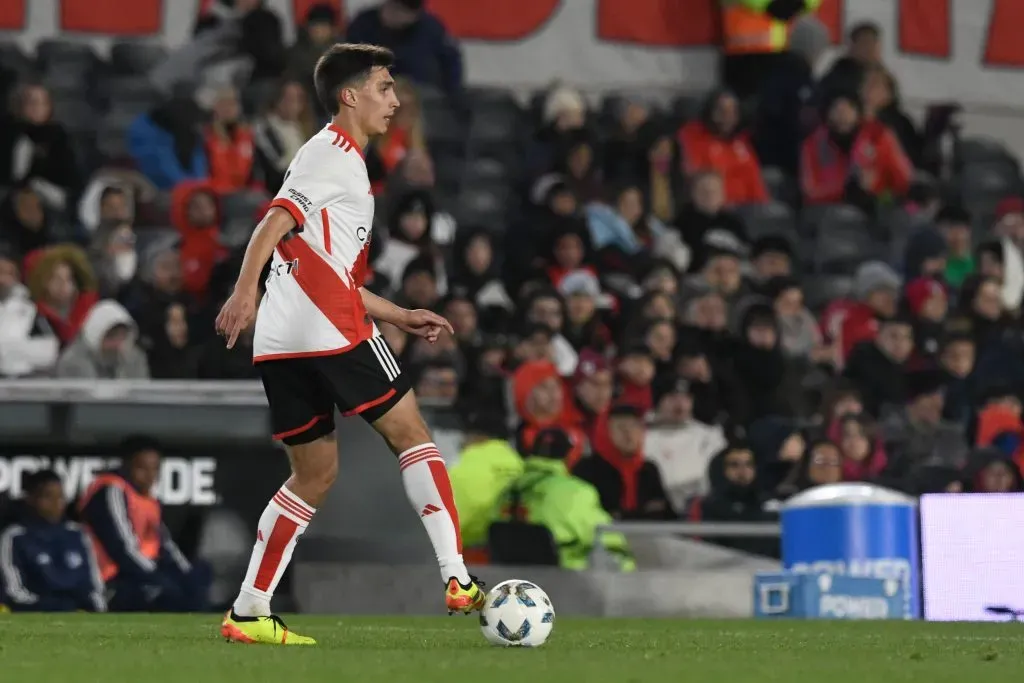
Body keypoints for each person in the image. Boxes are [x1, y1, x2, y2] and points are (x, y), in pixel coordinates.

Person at [213, 44, 484, 645]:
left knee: (313, 476)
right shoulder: (331, 154)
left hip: (286, 339)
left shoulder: (337, 162)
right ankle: (458, 576)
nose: (394, 101)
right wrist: (242, 292)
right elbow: (272, 222)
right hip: (325, 326)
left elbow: (331, 271)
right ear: (350, 95)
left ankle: (250, 610)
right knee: (413, 436)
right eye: (385, 88)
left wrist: (400, 313)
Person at [78, 437, 209, 612]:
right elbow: (122, 549)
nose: (150, 475)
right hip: (114, 580)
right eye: (142, 468)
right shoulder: (111, 490)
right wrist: (158, 577)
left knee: (197, 579)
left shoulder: (147, 499)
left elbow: (165, 544)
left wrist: (186, 574)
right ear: (126, 465)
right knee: (169, 594)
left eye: (155, 468)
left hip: (145, 573)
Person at [492, 427, 635, 571]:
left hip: (514, 583)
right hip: (565, 581)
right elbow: (609, 539)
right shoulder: (576, 492)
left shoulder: (508, 491)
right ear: (569, 456)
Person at [0, 469, 106, 612]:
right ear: (31, 499)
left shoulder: (78, 533)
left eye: (60, 497)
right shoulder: (15, 536)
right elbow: (13, 592)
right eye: (48, 497)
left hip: (79, 612)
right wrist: (54, 607)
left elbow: (94, 585)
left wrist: (95, 607)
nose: (56, 503)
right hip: (38, 614)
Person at [346, 0, 463, 99]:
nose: (396, 16)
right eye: (394, 9)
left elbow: (451, 63)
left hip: (421, 98)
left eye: (403, 12)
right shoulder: (363, 25)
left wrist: (452, 95)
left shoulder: (431, 29)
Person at [447, 411, 524, 552]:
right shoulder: (519, 465)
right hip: (510, 549)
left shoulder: (457, 464)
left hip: (465, 549)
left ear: (477, 437)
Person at [0, 245, 59, 377]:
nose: (2, 280)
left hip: (22, 382)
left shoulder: (30, 310)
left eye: (8, 274)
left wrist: (6, 351)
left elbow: (49, 351)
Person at [54, 300, 150, 379]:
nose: (117, 344)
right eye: (111, 337)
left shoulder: (134, 358)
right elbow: (91, 398)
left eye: (123, 336)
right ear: (95, 336)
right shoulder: (73, 362)